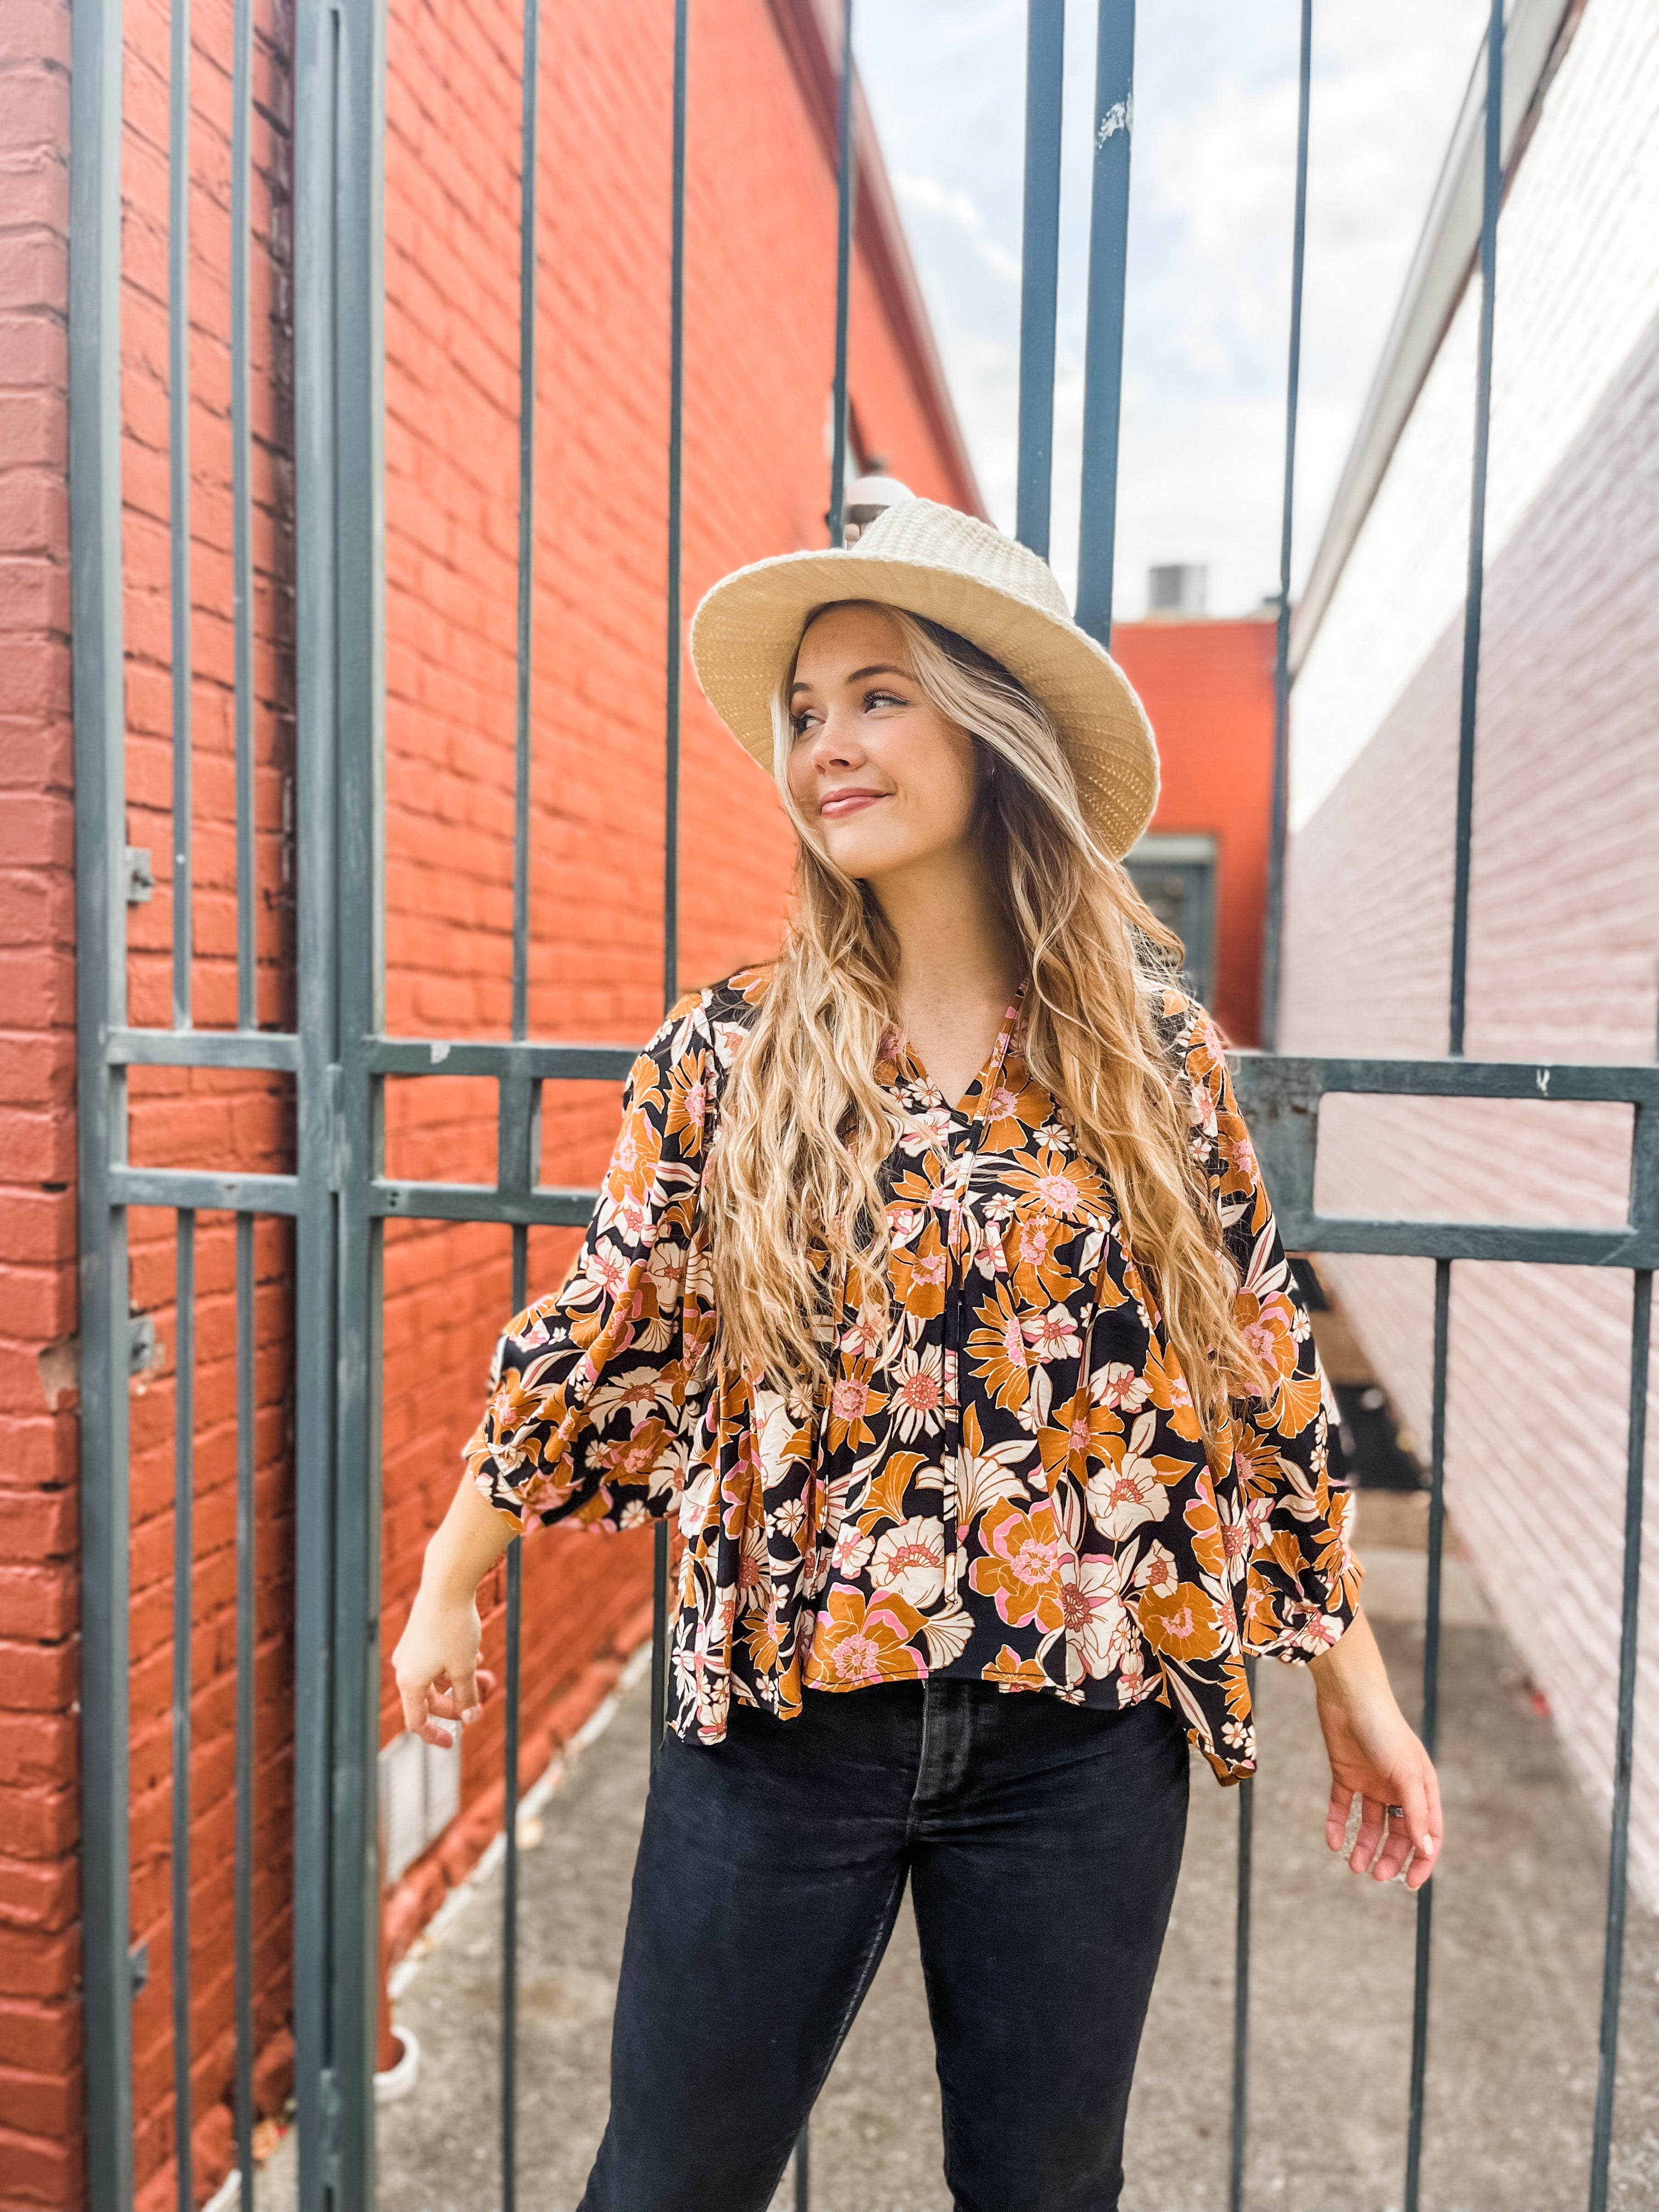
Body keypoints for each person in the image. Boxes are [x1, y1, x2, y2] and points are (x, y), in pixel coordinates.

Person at [392, 492, 1442, 2212]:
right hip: (779, 1730)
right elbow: (609, 1330)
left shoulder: (1154, 1061)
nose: (825, 746)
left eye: (876, 695)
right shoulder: (729, 1051)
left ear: (990, 721)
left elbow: (1259, 1379)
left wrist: (1358, 1691)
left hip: (1079, 1739)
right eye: (804, 714)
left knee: (1046, 2190)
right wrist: (453, 1571)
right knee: (663, 2183)